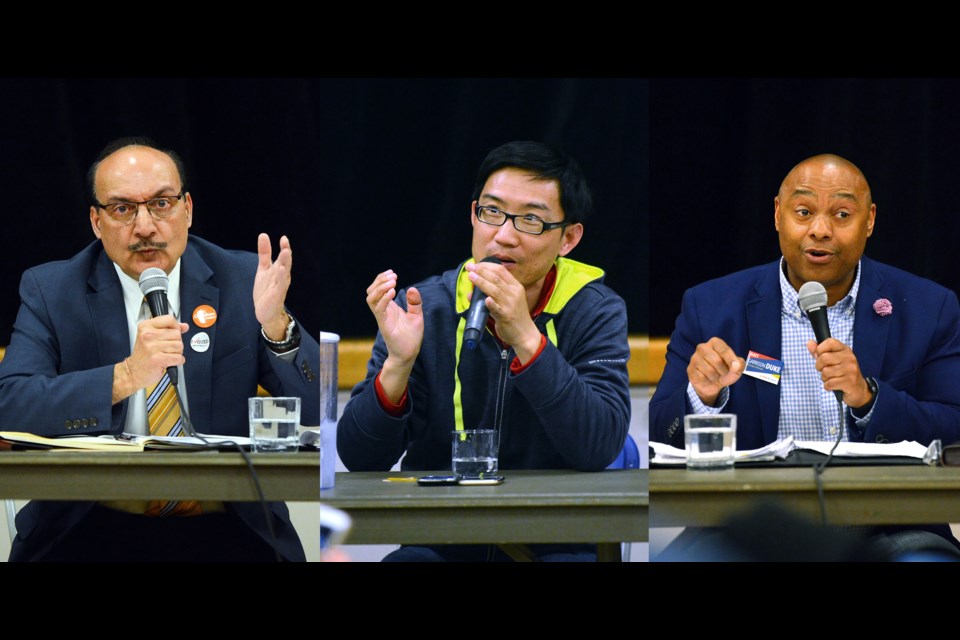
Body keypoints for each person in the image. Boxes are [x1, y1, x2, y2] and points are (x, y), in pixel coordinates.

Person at [0, 137, 320, 562]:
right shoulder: (52, 290)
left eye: (162, 204)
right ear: (96, 222)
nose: (145, 226)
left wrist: (277, 328)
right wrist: (126, 376)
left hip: (225, 526)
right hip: (92, 528)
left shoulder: (242, 280)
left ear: (188, 209)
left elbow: (320, 412)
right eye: (122, 209)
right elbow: (11, 404)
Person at [649, 153, 960, 559]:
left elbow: (953, 429)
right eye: (803, 211)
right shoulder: (711, 306)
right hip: (748, 524)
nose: (820, 230)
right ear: (778, 214)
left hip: (891, 526)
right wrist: (701, 396)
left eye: (842, 214)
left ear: (869, 220)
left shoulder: (928, 306)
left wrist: (869, 398)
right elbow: (659, 432)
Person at [337, 140, 631, 562]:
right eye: (492, 212)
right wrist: (398, 365)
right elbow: (360, 459)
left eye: (530, 219)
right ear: (473, 214)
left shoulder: (595, 309)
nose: (503, 235)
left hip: (556, 539)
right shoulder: (425, 305)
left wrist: (527, 338)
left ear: (568, 238)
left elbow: (599, 443)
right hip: (444, 538)